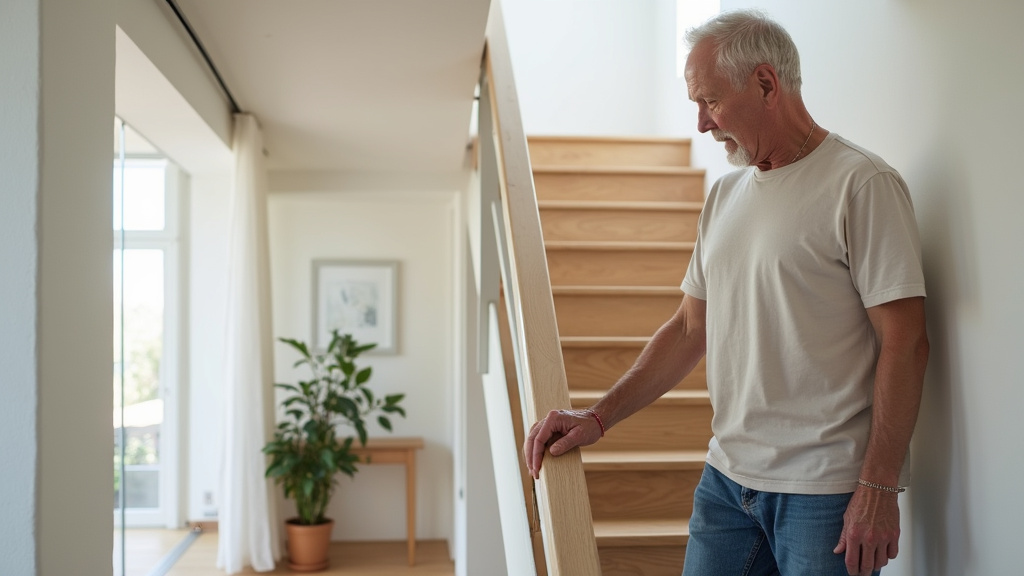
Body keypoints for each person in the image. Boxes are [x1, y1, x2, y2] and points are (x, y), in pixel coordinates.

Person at [523, 9, 929, 576]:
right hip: (726, 483)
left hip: (825, 492)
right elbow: (691, 328)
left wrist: (879, 486)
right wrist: (597, 416)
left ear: (765, 83)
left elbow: (906, 342)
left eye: (710, 101)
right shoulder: (724, 195)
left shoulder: (861, 183)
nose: (701, 124)